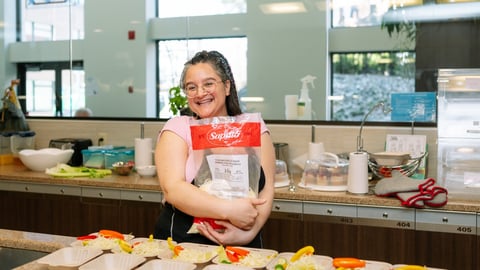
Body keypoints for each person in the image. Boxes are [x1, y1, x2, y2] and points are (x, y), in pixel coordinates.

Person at [154, 50, 275, 248]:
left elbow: (267, 189)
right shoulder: (178, 128)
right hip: (184, 244)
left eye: (208, 84)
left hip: (244, 246)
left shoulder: (253, 126)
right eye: (191, 87)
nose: (200, 93)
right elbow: (173, 189)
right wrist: (228, 210)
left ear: (227, 86)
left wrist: (248, 234)